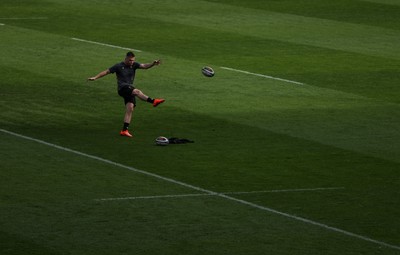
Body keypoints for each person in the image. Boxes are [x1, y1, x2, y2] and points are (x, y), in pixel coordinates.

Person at [88, 51, 165, 138]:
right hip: (123, 88)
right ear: (125, 59)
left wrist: (153, 64)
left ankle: (124, 130)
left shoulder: (134, 65)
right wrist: (95, 77)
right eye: (130, 60)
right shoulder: (118, 66)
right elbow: (106, 72)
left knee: (130, 108)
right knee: (137, 92)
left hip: (129, 88)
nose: (131, 62)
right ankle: (153, 101)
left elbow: (144, 66)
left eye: (133, 60)